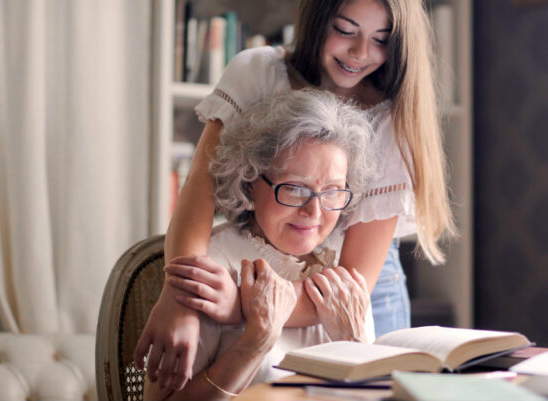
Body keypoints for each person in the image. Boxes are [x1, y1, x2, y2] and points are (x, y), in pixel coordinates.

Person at [136, 0, 457, 391]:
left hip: (349, 279)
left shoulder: (391, 118)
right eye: (345, 29)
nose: (360, 53)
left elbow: (352, 280)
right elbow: (199, 191)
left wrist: (240, 306)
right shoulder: (258, 72)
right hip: (258, 261)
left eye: (381, 39)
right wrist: (183, 296)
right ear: (318, 20)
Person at [143, 89, 375, 400]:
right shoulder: (211, 269)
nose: (314, 212)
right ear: (250, 181)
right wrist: (255, 343)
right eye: (294, 188)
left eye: (333, 191)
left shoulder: (343, 281)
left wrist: (355, 346)